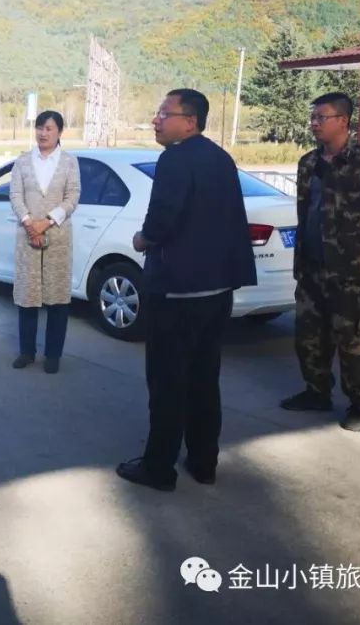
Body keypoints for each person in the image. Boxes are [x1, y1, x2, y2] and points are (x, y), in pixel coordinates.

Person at [116, 89, 256, 491]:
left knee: (166, 382)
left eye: (164, 113)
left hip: (176, 292)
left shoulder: (174, 159)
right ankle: (204, 461)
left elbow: (163, 219)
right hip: (216, 292)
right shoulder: (221, 158)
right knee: (203, 378)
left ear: (189, 121)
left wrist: (143, 239)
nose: (156, 120)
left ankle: (158, 468)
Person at [280, 92, 360, 431]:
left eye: (322, 117)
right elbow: (306, 210)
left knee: (353, 339)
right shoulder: (308, 163)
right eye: (313, 116)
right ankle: (316, 392)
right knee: (309, 337)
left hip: (353, 272)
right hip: (311, 268)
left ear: (343, 121)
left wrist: (359, 240)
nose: (314, 123)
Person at [8, 110, 81, 374]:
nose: (43, 133)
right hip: (27, 236)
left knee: (57, 299)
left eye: (49, 128)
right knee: (28, 297)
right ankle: (27, 351)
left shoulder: (70, 163)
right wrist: (30, 223)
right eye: (39, 127)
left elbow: (72, 197)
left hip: (58, 237)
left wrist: (47, 221)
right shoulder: (23, 162)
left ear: (60, 132)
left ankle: (53, 355)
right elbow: (15, 194)